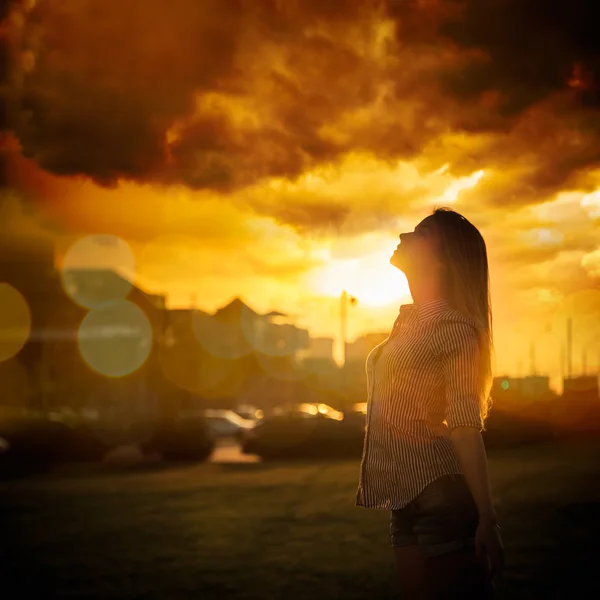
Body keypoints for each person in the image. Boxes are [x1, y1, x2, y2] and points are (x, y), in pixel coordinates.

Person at [355, 207, 504, 599]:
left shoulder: (454, 329)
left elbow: (465, 427)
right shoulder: (410, 321)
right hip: (404, 498)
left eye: (420, 233)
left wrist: (487, 518)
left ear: (442, 256)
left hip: (441, 499)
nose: (405, 235)